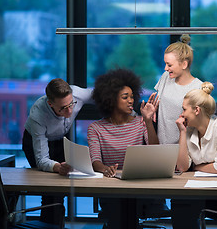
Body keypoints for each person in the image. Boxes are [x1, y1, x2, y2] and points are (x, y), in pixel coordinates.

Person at [87, 68, 160, 228]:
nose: (130, 101)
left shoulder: (141, 122)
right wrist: (106, 169)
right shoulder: (96, 128)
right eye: (125, 97)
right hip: (112, 187)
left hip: (140, 186)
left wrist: (148, 121)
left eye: (132, 97)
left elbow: (154, 150)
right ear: (111, 99)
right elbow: (95, 161)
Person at [22, 78, 93, 224]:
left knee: (62, 187)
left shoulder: (78, 93)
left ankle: (57, 225)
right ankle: (50, 226)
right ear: (50, 103)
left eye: (71, 104)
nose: (69, 111)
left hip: (61, 138)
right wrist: (58, 167)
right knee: (49, 188)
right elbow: (42, 160)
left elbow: (104, 95)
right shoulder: (38, 115)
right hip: (35, 141)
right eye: (62, 108)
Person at [172, 82, 217, 229]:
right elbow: (182, 167)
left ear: (196, 110)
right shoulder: (188, 130)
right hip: (197, 191)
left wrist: (195, 167)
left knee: (187, 204)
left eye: (184, 109)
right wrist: (182, 132)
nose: (181, 114)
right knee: (180, 201)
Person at [154, 34, 203, 144]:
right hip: (162, 148)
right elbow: (159, 104)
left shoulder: (198, 87)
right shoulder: (165, 77)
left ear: (184, 64)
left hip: (185, 149)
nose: (165, 68)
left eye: (169, 65)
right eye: (165, 64)